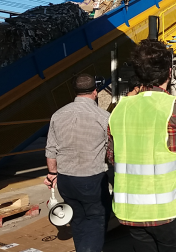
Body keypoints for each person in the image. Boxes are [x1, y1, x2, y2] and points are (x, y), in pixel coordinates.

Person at [108, 39, 176, 252]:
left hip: (132, 214)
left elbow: (111, 157)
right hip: (171, 213)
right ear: (169, 71)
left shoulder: (119, 109)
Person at [43, 73, 112, 252]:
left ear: (74, 91)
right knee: (97, 218)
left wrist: (52, 174)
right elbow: (110, 150)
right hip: (92, 178)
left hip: (66, 179)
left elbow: (51, 150)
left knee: (76, 217)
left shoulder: (58, 115)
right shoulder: (103, 117)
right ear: (95, 92)